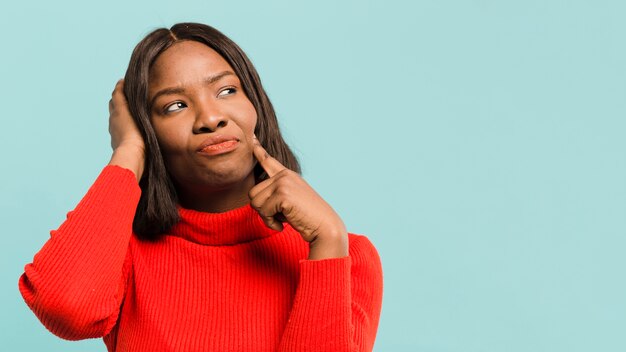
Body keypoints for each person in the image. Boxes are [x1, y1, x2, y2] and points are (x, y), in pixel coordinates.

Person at [18, 22, 383, 352]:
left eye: (226, 91)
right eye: (175, 106)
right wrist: (128, 152)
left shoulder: (344, 257)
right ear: (149, 131)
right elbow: (64, 309)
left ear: (255, 103)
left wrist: (329, 241)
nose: (211, 118)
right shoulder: (124, 255)